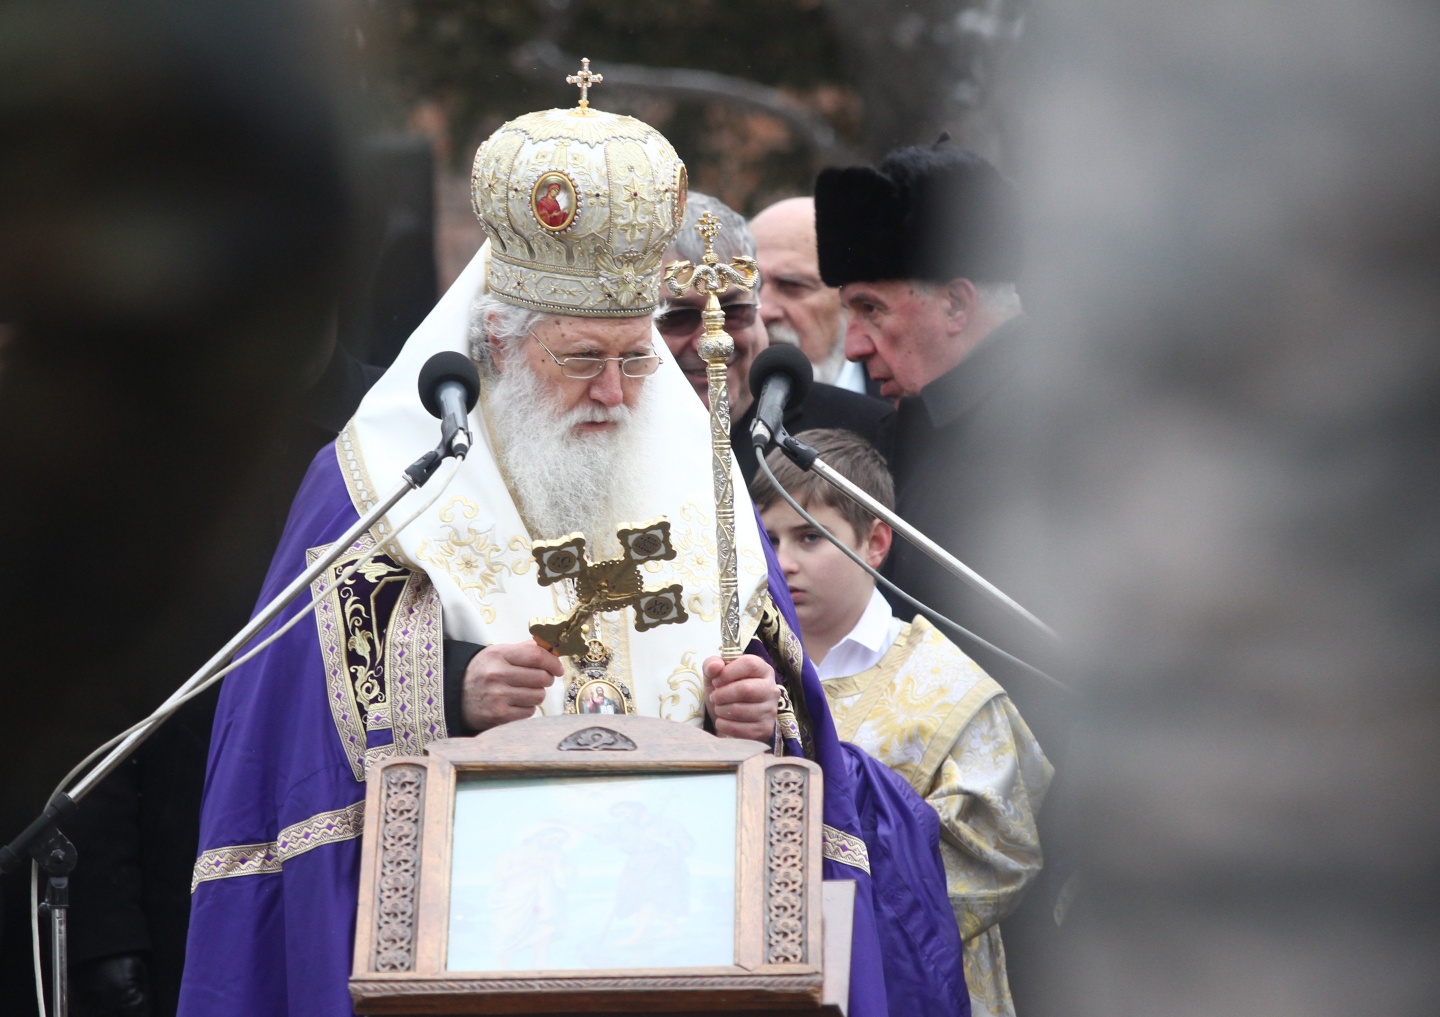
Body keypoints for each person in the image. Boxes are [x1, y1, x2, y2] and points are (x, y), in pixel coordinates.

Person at [179, 88, 967, 1017]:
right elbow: (288, 710)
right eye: (582, 359)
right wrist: (451, 685)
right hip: (469, 949)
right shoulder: (378, 475)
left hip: (687, 951)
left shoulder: (699, 470)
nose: (616, 393)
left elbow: (772, 673)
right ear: (500, 343)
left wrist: (761, 708)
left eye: (635, 359)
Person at [815, 142, 1074, 1015]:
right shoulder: (910, 423)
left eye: (871, 308)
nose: (854, 343)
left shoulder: (1071, 416)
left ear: (958, 303)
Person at [752, 429, 1052, 1017]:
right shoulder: (743, 671)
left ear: (876, 541)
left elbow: (1000, 856)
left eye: (810, 536)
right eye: (770, 539)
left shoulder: (952, 689)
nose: (784, 562)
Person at [658, 192, 894, 484]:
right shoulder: (607, 433)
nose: (713, 342)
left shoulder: (872, 432)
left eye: (734, 312)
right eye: (678, 318)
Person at [749, 196, 869, 394]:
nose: (762, 312)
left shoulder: (904, 392)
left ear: (852, 297)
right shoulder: (709, 399)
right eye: (750, 287)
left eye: (792, 286)